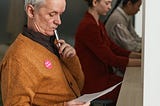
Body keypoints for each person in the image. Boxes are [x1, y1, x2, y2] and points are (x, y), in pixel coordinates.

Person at [0, 0, 90, 105]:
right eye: (52, 14)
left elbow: (79, 85)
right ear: (31, 12)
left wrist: (71, 60)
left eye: (60, 14)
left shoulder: (54, 44)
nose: (59, 21)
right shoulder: (17, 58)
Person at [74, 0, 141, 105]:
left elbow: (114, 48)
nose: (110, 7)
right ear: (95, 2)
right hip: (93, 83)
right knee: (131, 89)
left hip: (103, 76)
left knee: (132, 85)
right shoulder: (88, 25)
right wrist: (142, 62)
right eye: (107, 3)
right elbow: (110, 58)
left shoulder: (97, 23)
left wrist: (139, 57)